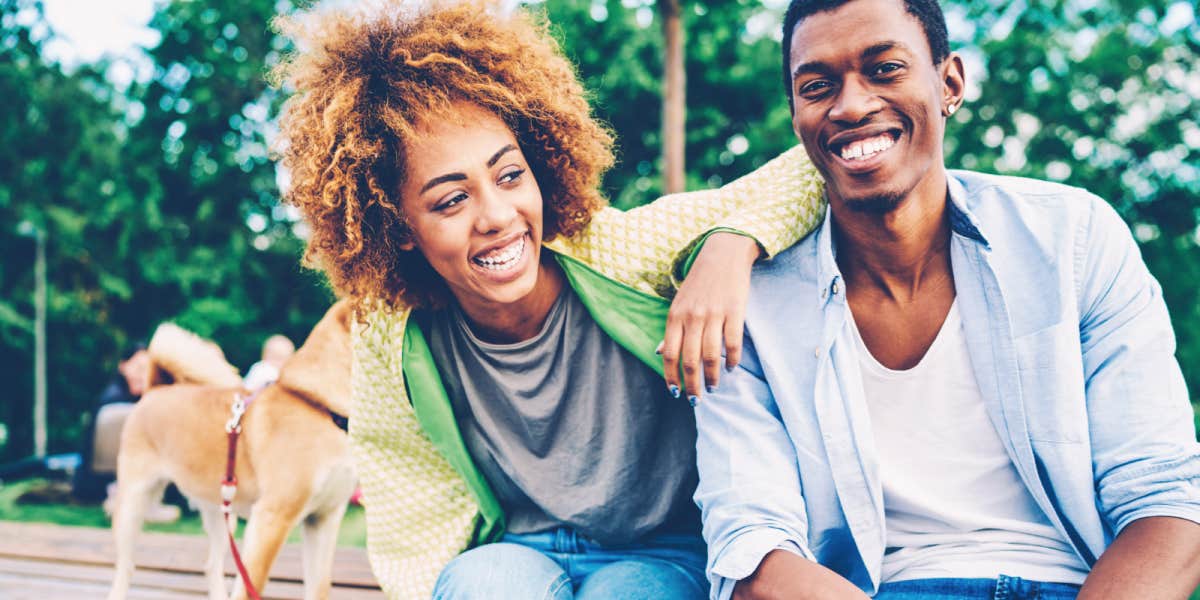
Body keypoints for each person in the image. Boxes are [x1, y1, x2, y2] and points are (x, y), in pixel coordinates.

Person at [273, 1, 825, 598]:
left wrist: (731, 243)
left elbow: (812, 168)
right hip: (518, 550)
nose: (496, 216)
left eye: (510, 176)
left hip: (663, 551)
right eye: (451, 201)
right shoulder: (393, 333)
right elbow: (408, 504)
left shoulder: (619, 250)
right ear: (399, 227)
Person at [694, 1, 1200, 599]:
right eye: (818, 86)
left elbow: (1166, 500)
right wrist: (725, 245)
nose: (851, 105)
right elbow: (752, 550)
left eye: (885, 69)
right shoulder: (744, 304)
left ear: (949, 83)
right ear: (797, 114)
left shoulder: (1074, 240)